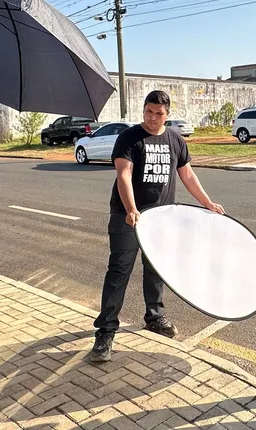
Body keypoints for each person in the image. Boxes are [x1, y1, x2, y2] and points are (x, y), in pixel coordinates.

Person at [86, 90, 225, 363]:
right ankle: (106, 331)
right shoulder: (129, 138)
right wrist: (131, 208)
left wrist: (207, 202)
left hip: (162, 219)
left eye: (158, 113)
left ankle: (155, 316)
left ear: (167, 114)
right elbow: (123, 173)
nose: (152, 117)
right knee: (119, 272)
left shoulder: (175, 139)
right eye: (149, 112)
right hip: (128, 217)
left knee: (156, 270)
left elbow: (186, 174)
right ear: (143, 111)